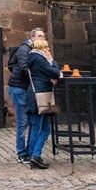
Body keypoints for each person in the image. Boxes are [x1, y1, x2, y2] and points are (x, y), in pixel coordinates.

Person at [7, 27, 46, 163]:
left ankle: (29, 152)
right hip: (19, 88)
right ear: (32, 37)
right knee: (22, 122)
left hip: (27, 88)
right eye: (40, 36)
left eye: (43, 36)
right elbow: (25, 68)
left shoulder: (35, 50)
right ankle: (22, 153)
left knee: (30, 121)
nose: (42, 38)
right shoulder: (25, 49)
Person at [25, 36, 61, 170]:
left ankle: (34, 155)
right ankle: (34, 156)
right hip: (40, 97)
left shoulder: (34, 59)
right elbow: (55, 72)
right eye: (46, 47)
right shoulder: (40, 59)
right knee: (42, 128)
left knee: (41, 127)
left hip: (37, 95)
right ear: (41, 48)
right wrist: (52, 61)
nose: (48, 50)